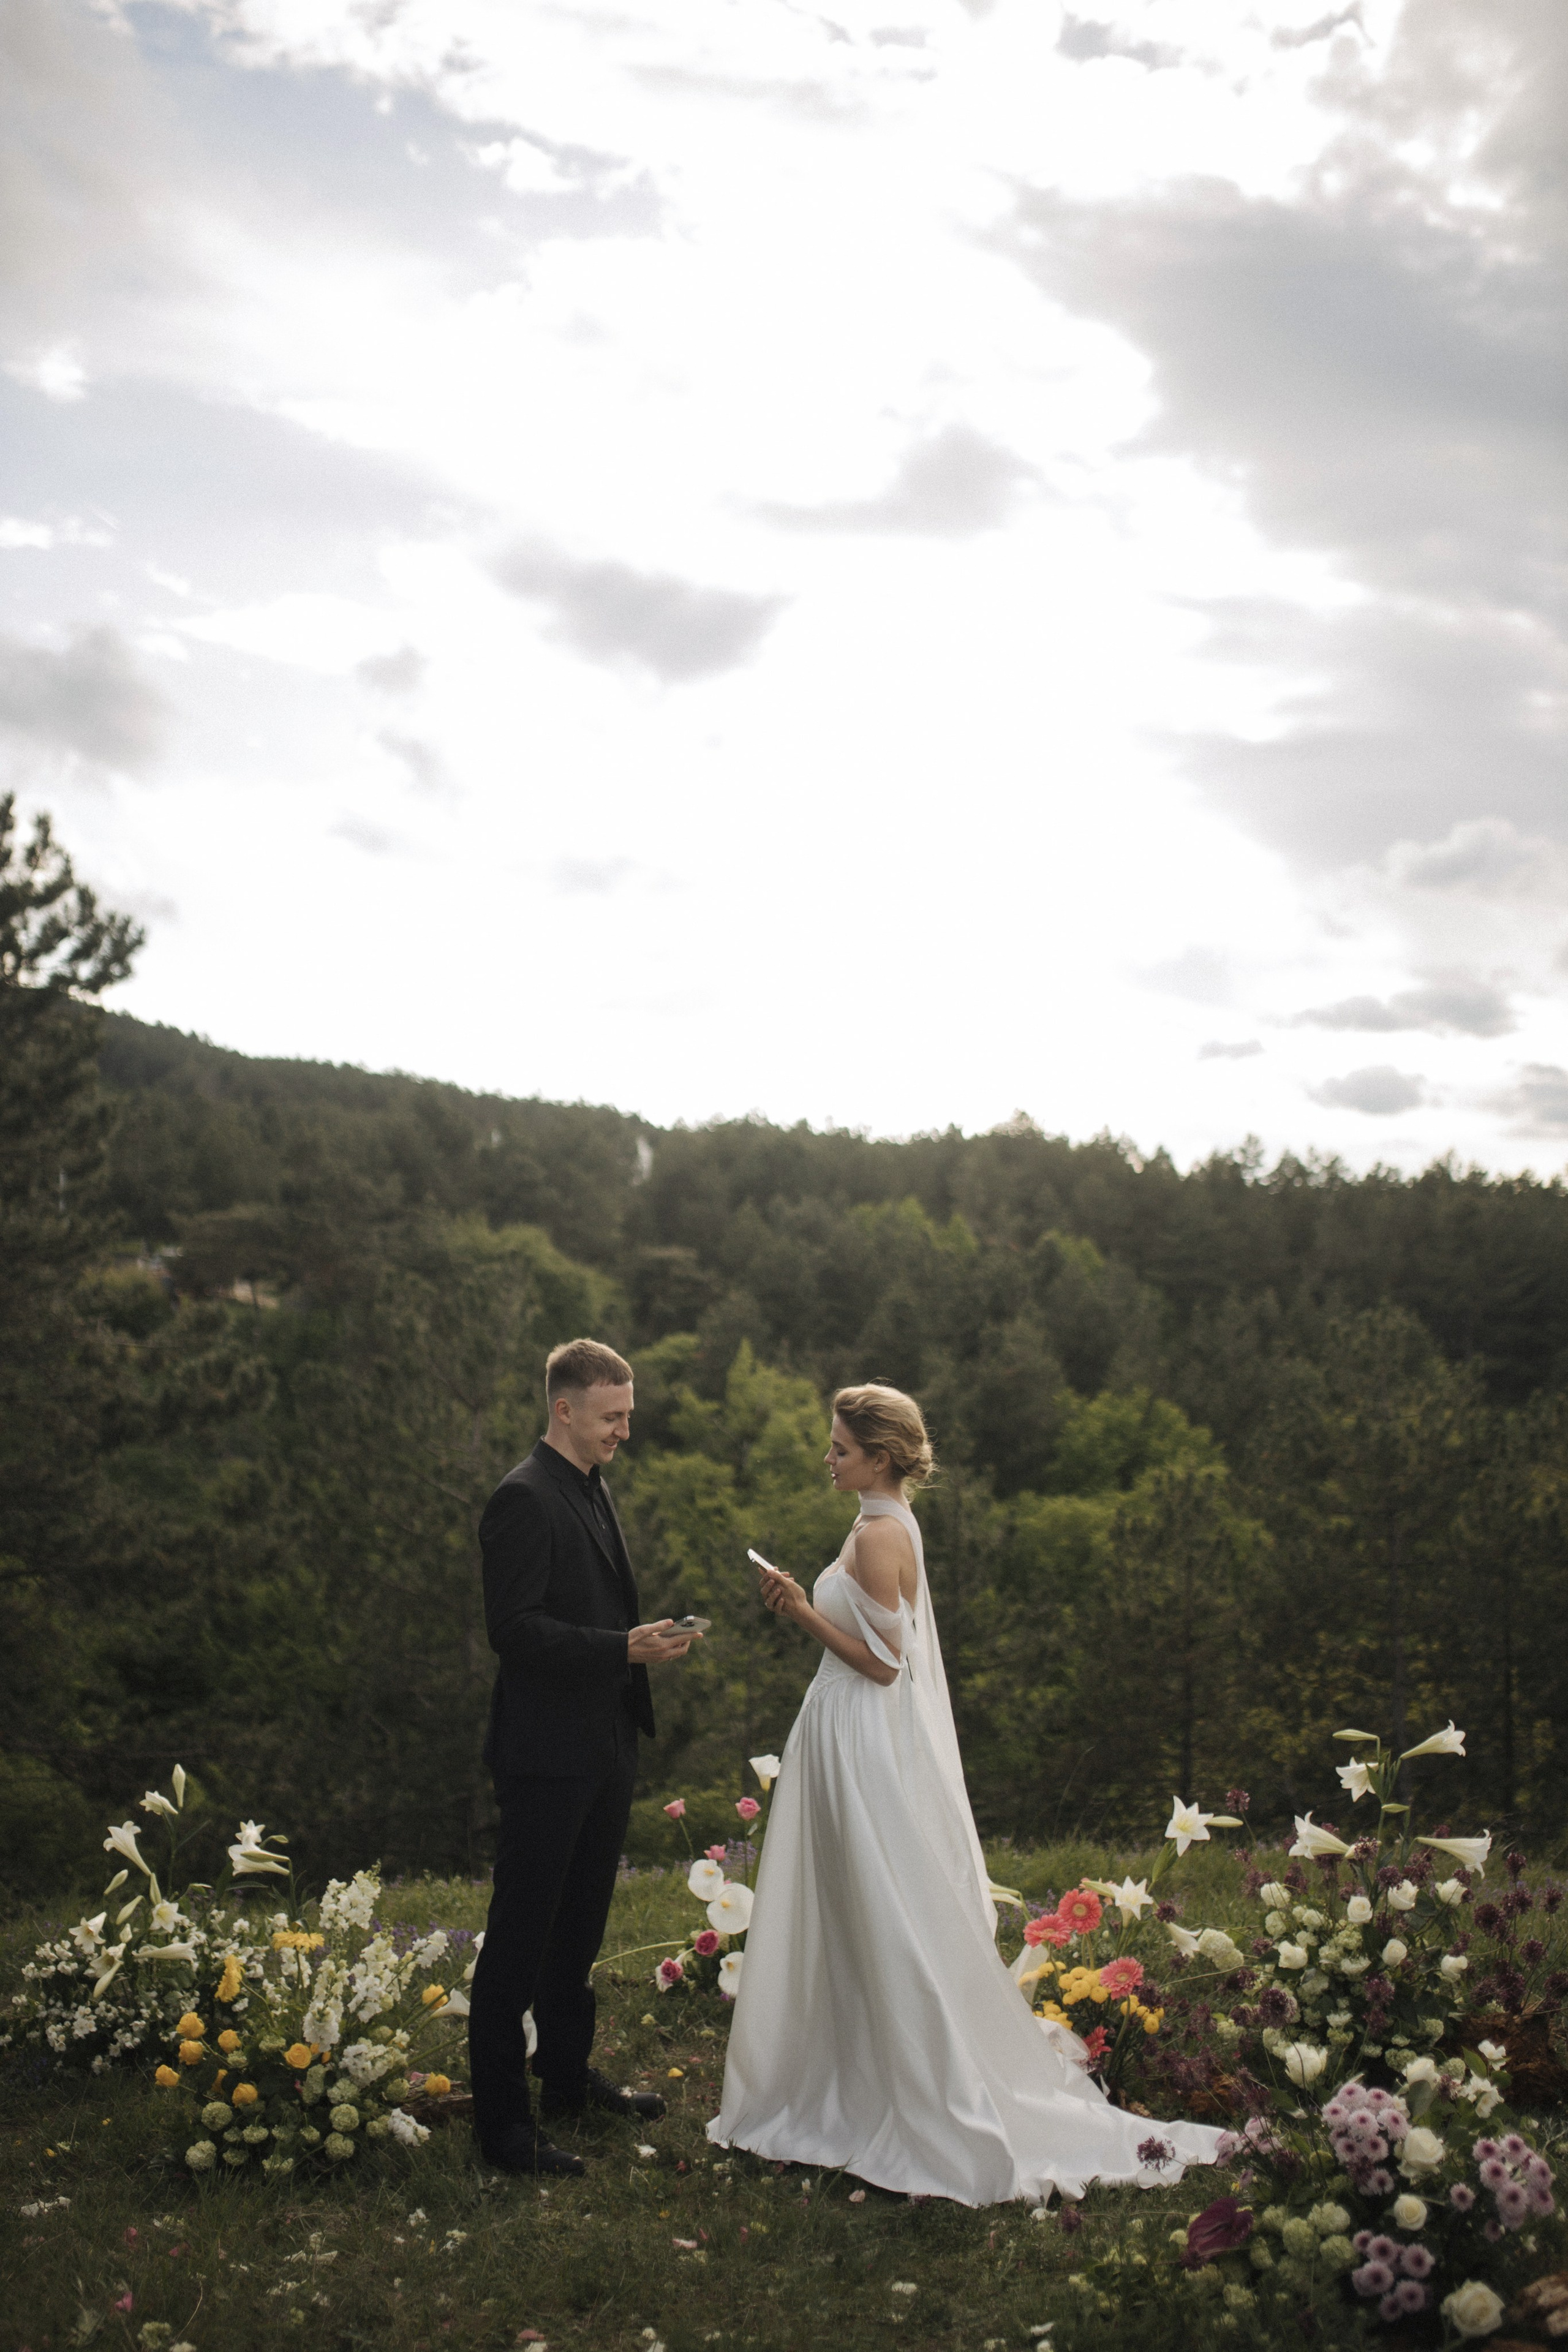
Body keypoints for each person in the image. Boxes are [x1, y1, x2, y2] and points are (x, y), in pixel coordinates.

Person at [708, 1382, 1226, 2206]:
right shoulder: (873, 1521)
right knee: (853, 1908)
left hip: (860, 1735)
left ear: (879, 1457)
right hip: (843, 1732)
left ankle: (904, 2082)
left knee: (879, 1910)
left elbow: (882, 1666)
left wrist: (801, 1610)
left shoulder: (881, 1534)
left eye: (840, 1446)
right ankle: (852, 2068)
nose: (828, 1456)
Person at [468, 1337, 700, 2175]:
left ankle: (565, 2080)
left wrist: (635, 1649)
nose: (623, 1432)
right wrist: (619, 1649)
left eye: (628, 1416)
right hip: (544, 1752)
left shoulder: (591, 1486)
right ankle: (503, 2129)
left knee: (580, 1931)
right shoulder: (523, 1498)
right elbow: (514, 1630)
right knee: (519, 1939)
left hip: (604, 1745)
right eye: (611, 1417)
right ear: (564, 1409)